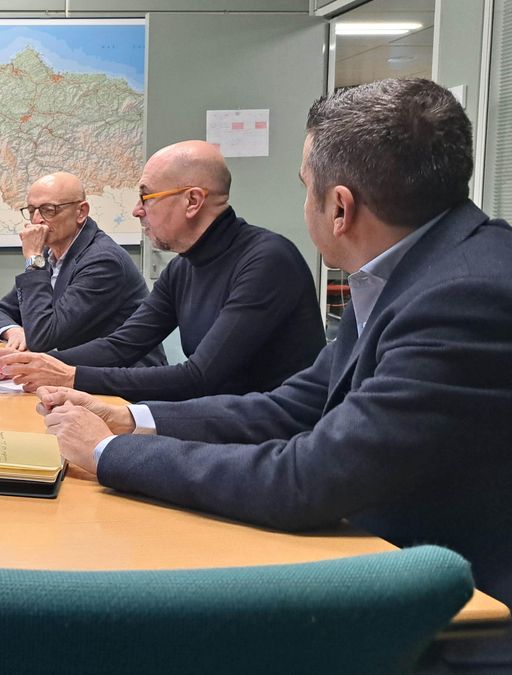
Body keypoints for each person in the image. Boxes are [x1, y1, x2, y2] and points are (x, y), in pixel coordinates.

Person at [38, 78, 512, 669]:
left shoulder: (463, 296)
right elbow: (292, 405)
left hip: (458, 620)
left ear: (339, 208)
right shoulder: (411, 271)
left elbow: (307, 478)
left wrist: (107, 454)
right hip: (389, 560)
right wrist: (131, 420)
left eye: (305, 187)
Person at [0, 141, 324, 402]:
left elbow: (199, 376)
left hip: (273, 438)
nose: (137, 210)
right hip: (220, 418)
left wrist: (70, 376)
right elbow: (122, 345)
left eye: (146, 197)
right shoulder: (183, 267)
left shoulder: (266, 261)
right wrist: (32, 364)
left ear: (193, 201)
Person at [0, 171, 165, 364]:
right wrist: (14, 331)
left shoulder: (103, 261)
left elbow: (42, 338)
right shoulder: (50, 254)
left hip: (119, 376)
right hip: (72, 368)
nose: (36, 220)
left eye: (48, 210)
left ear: (81, 212)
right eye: (32, 210)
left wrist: (33, 259)